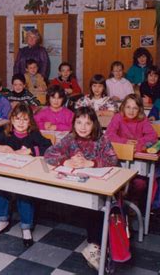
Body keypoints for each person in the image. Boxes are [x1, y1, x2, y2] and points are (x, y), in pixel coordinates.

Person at [44, 107, 118, 270]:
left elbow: (113, 160)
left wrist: (90, 163)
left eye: (87, 123)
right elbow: (48, 155)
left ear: (94, 125)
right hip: (76, 184)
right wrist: (65, 161)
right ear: (74, 123)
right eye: (79, 122)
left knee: (96, 205)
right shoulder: (70, 138)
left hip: (98, 185)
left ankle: (95, 245)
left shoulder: (101, 139)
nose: (83, 127)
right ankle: (96, 245)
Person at [0, 103, 51, 247]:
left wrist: (30, 151)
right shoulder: (6, 133)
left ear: (30, 122)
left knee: (24, 194)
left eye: (25, 119)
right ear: (12, 120)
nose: (21, 123)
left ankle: (26, 227)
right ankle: (3, 221)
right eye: (17, 119)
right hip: (8, 171)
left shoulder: (33, 134)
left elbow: (49, 146)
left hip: (26, 174)